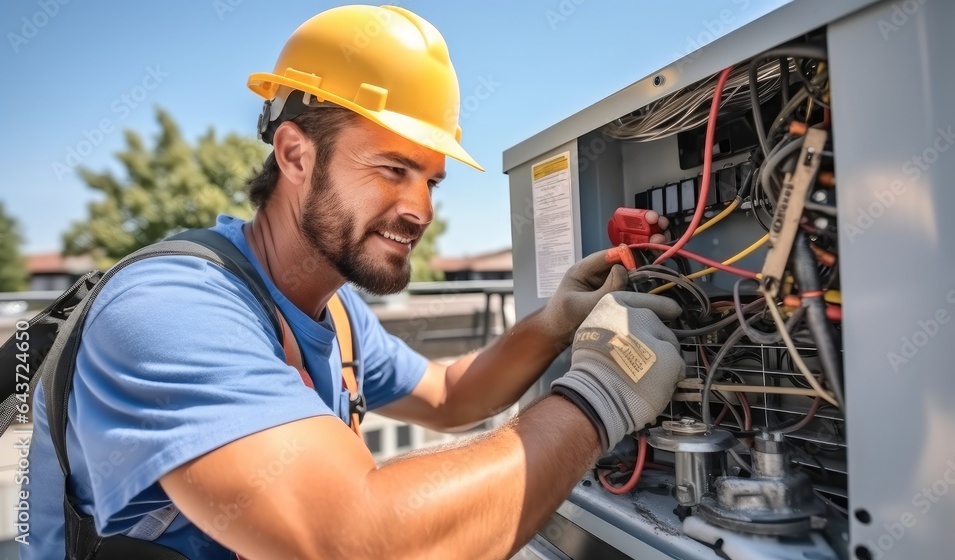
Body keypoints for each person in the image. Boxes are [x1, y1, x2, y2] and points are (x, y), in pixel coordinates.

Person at [22, 5, 685, 559]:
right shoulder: (171, 310)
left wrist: (555, 323)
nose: (420, 209)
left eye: (430, 180)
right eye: (392, 169)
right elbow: (347, 540)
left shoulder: (331, 313)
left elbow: (449, 395)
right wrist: (599, 399)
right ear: (295, 154)